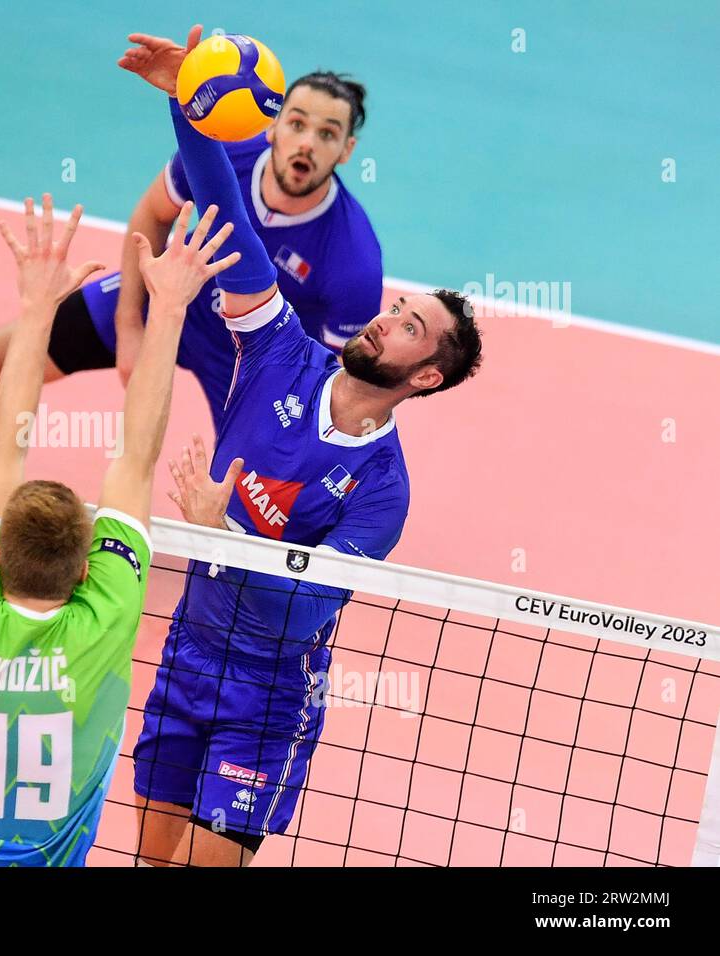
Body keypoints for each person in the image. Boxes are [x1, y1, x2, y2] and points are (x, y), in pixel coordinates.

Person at [117, 30, 483, 867]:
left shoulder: (382, 491)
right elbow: (223, 216)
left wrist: (224, 535)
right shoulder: (280, 347)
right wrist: (188, 105)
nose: (388, 317)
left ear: (422, 378)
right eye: (398, 307)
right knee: (148, 858)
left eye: (411, 329)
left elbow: (303, 611)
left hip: (269, 691)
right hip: (188, 651)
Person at [0, 27, 379, 434]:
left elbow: (334, 380)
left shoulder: (352, 260)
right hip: (170, 300)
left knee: (242, 489)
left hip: (251, 360)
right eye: (298, 123)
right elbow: (149, 218)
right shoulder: (221, 153)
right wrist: (132, 327)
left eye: (327, 133)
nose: (307, 142)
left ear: (347, 150)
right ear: (274, 119)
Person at [0, 195, 239, 866]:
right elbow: (137, 458)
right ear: (87, 569)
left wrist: (37, 313)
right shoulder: (105, 616)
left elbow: (2, 449)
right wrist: (169, 310)